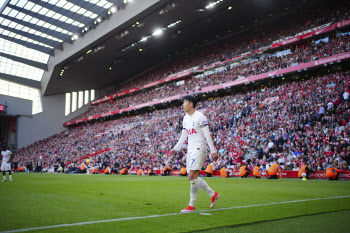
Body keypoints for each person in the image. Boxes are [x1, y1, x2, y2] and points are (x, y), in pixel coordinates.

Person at [170, 95, 219, 213]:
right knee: (192, 178)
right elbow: (184, 136)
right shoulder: (185, 118)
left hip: (199, 148)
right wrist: (176, 148)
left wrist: (213, 150)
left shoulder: (200, 117)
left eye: (184, 102)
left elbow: (207, 134)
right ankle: (213, 194)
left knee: (192, 176)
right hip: (190, 150)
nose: (182, 105)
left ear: (191, 103)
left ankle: (191, 206)